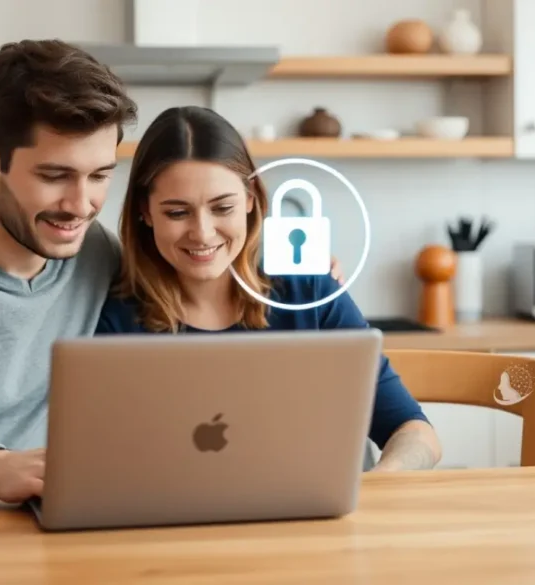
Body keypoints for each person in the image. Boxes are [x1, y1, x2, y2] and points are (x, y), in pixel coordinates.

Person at [0, 38, 347, 506]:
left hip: (60, 532)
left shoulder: (98, 257)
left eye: (101, 175)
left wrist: (295, 265)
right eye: (55, 175)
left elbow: (201, 252)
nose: (81, 205)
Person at [94, 106, 442, 473]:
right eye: (177, 213)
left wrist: (380, 482)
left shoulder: (309, 290)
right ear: (144, 212)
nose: (203, 232)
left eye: (222, 207)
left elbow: (416, 433)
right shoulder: (116, 315)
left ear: (250, 199)